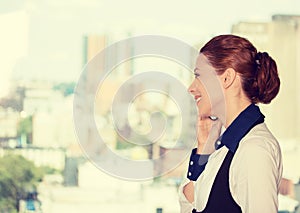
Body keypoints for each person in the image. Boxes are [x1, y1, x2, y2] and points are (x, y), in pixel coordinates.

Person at [179, 34, 283, 213]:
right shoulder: (225, 148)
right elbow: (193, 205)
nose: (191, 87)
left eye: (199, 75)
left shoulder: (254, 149)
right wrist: (204, 150)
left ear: (227, 78)